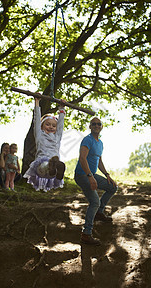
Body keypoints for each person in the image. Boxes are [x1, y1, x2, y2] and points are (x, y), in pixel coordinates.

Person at [74, 117, 117, 245]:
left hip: (91, 174)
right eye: (94, 124)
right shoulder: (87, 140)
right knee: (95, 201)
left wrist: (107, 175)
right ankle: (86, 234)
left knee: (112, 187)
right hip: (82, 175)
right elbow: (82, 158)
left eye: (99, 124)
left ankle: (99, 212)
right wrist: (90, 176)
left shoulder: (100, 143)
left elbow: (99, 161)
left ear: (102, 126)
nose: (96, 126)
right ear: (90, 126)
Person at [23, 95, 66, 192]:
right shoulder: (39, 135)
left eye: (53, 125)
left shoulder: (57, 137)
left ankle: (57, 169)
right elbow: (37, 120)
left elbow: (61, 126)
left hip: (52, 172)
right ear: (42, 126)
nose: (51, 127)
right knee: (45, 164)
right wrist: (37, 102)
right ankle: (52, 165)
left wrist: (62, 108)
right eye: (47, 124)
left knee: (56, 164)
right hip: (41, 166)